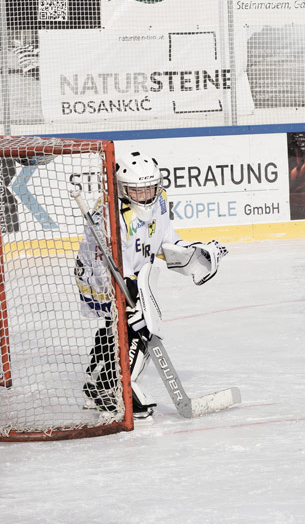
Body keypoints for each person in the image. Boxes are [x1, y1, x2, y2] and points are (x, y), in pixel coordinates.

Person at [76, 151, 228, 418]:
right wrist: (127, 290)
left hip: (133, 273)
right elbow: (104, 262)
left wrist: (190, 252)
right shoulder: (109, 215)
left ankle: (97, 384)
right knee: (136, 328)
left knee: (121, 327)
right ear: (123, 189)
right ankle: (112, 389)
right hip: (99, 276)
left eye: (149, 188)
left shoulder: (160, 201)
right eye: (137, 190)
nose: (145, 195)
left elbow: (165, 237)